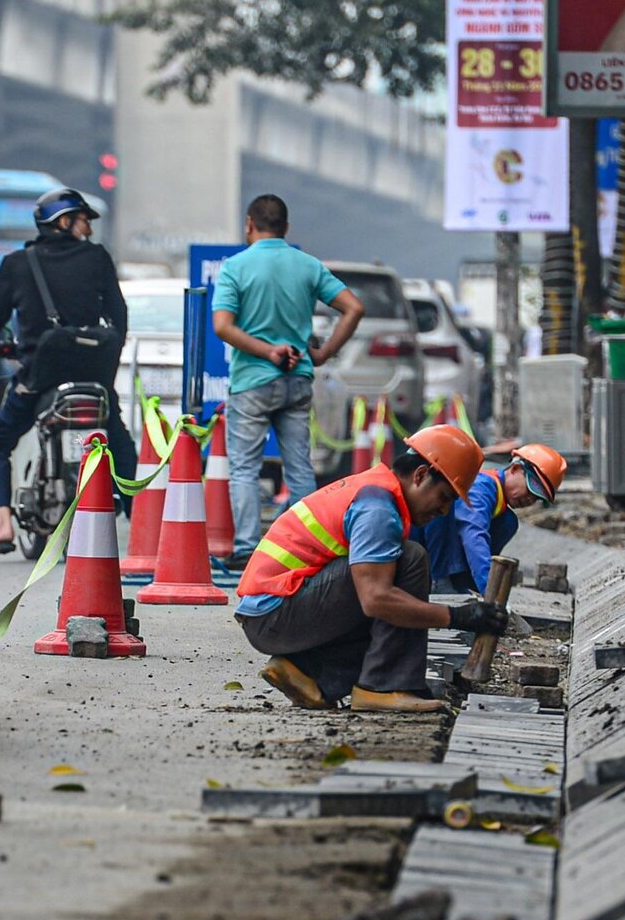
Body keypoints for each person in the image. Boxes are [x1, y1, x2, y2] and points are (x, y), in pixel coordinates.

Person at [235, 424, 509, 714]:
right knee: (409, 562)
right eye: (443, 498)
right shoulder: (377, 507)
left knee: (395, 582)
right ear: (420, 475)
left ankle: (306, 671)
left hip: (275, 612)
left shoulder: (379, 493)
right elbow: (375, 599)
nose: (443, 511)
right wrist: (456, 616)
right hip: (274, 614)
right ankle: (385, 686)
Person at [0, 187, 137, 559]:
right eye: (84, 220)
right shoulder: (98, 259)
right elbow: (118, 318)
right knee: (119, 442)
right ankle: (141, 530)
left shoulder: (18, 264)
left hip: (40, 377)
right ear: (63, 221)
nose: (88, 228)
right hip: (94, 377)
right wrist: (106, 355)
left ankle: (2, 525)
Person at [212, 194, 366, 571]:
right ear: (286, 228)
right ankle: (307, 546)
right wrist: (324, 352)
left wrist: (266, 352)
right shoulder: (307, 265)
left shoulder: (236, 267)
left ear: (249, 224)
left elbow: (223, 326)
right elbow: (353, 307)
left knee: (245, 468)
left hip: (251, 381)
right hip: (298, 380)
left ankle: (248, 546)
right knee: (299, 466)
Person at [416, 442, 567, 594]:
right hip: (418, 549)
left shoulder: (501, 507)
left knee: (509, 522)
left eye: (536, 498)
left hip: (445, 559)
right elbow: (474, 535)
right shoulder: (480, 487)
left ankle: (463, 583)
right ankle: (440, 580)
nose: (529, 500)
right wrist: (490, 589)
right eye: (529, 490)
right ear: (514, 469)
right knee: (443, 507)